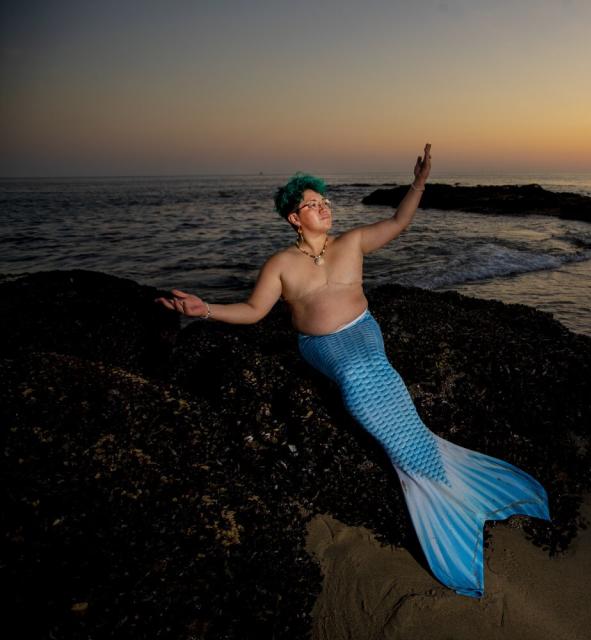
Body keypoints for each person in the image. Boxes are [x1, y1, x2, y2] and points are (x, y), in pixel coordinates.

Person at [156, 144, 551, 598]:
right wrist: (205, 310)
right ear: (293, 217)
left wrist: (418, 183)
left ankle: (444, 479)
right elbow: (252, 310)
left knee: (375, 368)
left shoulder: (353, 242)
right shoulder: (281, 265)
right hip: (320, 346)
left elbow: (400, 222)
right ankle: (436, 484)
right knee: (356, 380)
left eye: (326, 202)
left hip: (363, 330)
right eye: (313, 204)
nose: (324, 207)